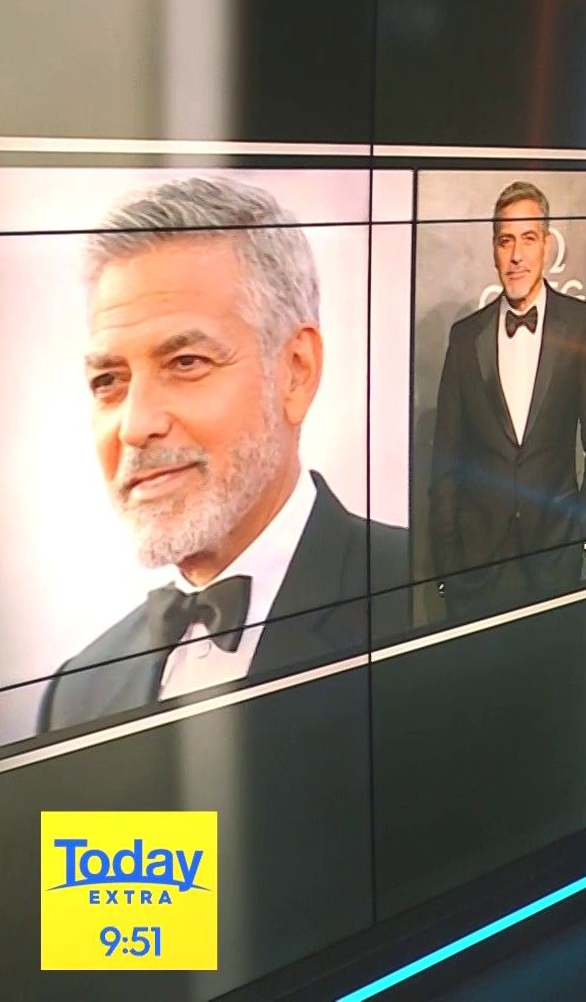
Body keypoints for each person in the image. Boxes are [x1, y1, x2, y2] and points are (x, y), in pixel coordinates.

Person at [41, 175, 408, 733]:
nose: (136, 426)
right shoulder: (77, 692)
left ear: (295, 371)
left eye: (186, 363)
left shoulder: (436, 597)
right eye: (108, 380)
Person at [428, 181, 586, 623]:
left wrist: (583, 534)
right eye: (505, 240)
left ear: (546, 245)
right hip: (475, 567)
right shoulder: (465, 337)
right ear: (494, 250)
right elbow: (446, 457)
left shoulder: (578, 323)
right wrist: (447, 565)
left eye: (528, 239)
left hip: (554, 557)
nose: (516, 256)